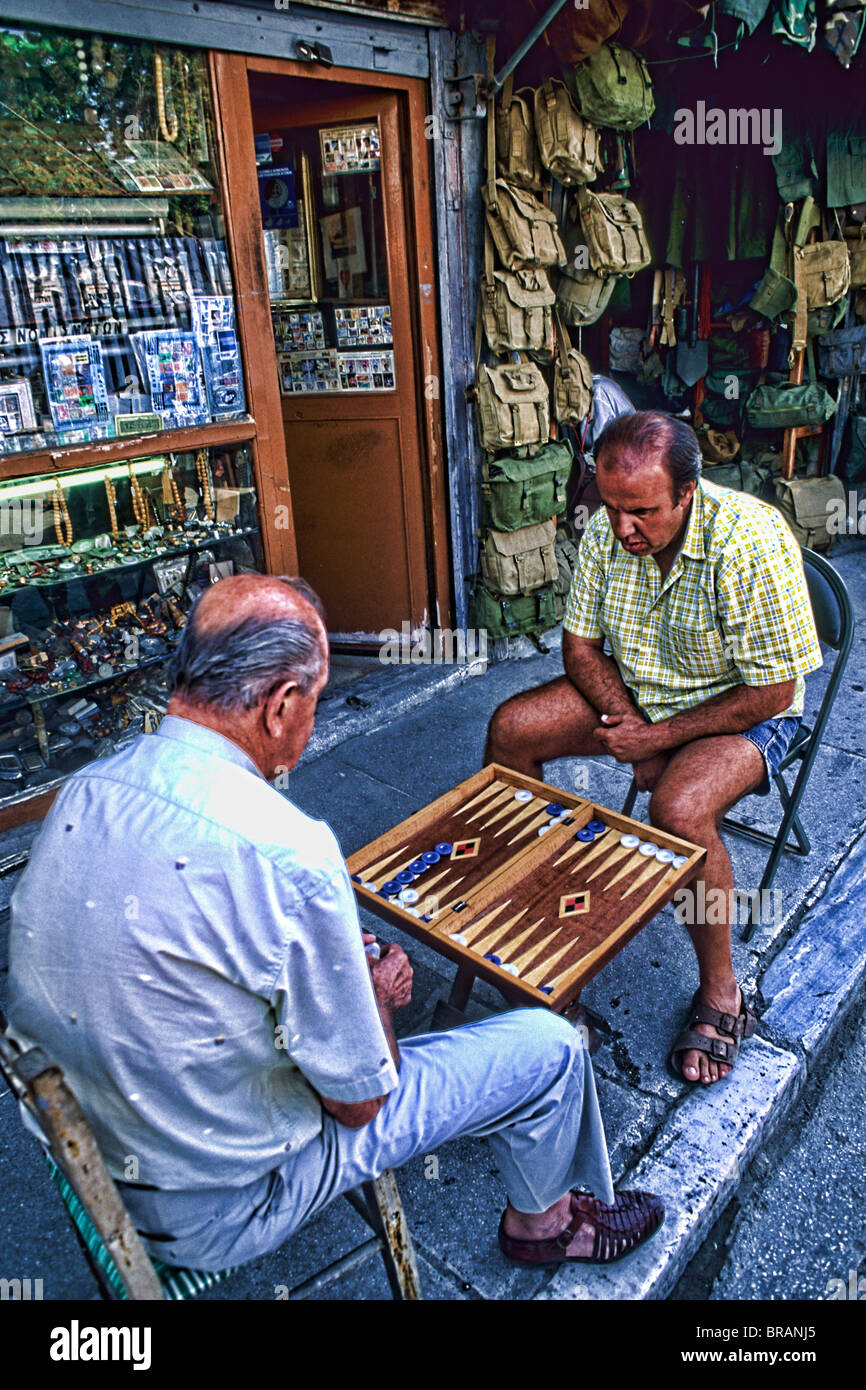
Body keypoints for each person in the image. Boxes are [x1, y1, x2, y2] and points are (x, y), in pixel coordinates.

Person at [7, 574, 664, 1273]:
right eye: (315, 703)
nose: (312, 721)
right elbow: (361, 1103)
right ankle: (548, 1224)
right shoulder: (287, 852)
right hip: (216, 1210)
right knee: (549, 1045)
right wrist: (374, 993)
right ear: (282, 705)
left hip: (84, 1160)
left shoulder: (85, 788)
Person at [486, 412, 823, 1087]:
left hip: (745, 708)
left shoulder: (749, 538)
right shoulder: (611, 525)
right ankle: (528, 928)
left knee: (678, 808)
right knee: (511, 729)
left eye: (640, 512)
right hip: (640, 694)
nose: (621, 529)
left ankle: (724, 991)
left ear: (689, 493)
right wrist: (634, 723)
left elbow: (771, 691)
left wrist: (657, 741)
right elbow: (580, 648)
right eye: (610, 507)